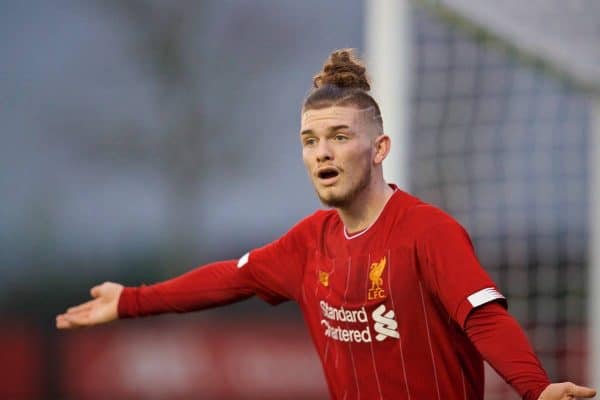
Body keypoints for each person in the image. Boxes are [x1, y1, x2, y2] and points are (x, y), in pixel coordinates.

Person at [56, 49, 596, 400]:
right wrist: (130, 300)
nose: (322, 153)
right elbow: (228, 279)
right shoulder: (308, 244)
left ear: (380, 147)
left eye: (339, 136)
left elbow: (483, 318)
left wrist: (536, 389)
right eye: (310, 141)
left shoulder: (427, 231)